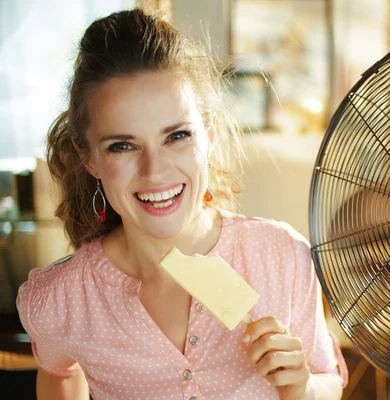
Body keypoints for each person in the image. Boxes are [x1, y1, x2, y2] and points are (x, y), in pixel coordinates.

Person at [16, 8, 347, 400]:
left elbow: (328, 378)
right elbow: (58, 375)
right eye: (122, 146)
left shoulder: (283, 257)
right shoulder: (60, 299)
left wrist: (303, 387)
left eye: (176, 136)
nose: (154, 171)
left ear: (208, 134)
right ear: (89, 158)